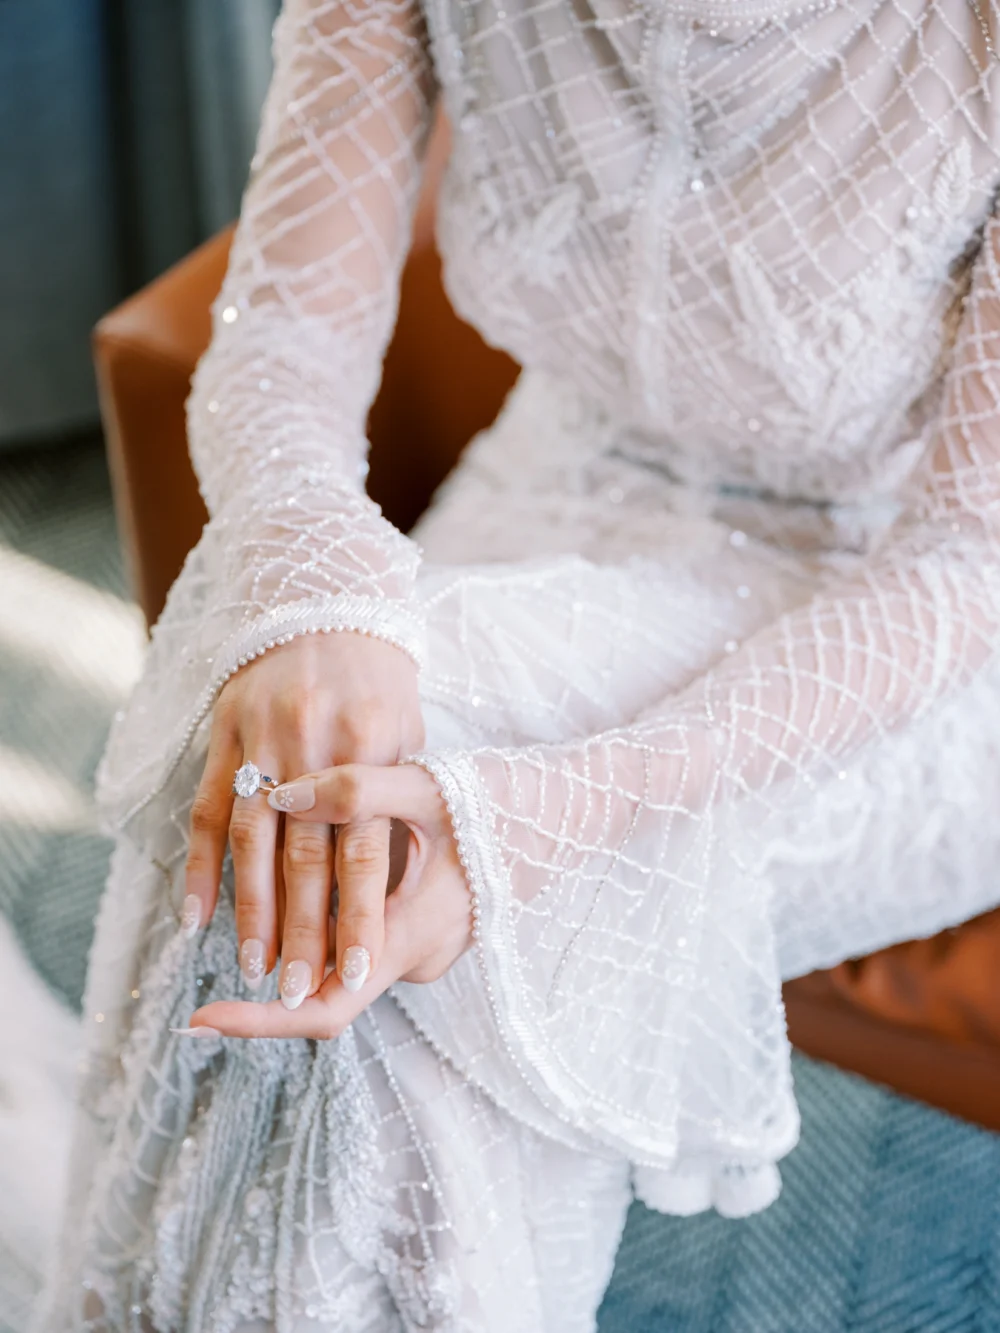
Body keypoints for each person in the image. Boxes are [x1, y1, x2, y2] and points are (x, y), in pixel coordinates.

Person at [40, 1, 1000, 1328]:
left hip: (894, 623)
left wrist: (553, 812)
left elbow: (965, 562)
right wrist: (320, 592)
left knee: (426, 895)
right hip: (557, 493)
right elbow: (287, 331)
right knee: (321, 807)